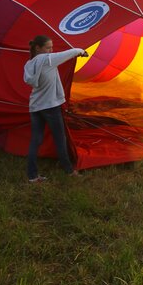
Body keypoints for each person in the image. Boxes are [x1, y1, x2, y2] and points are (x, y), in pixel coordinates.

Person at [24, 35, 88, 182]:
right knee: (60, 138)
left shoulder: (29, 64)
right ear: (38, 48)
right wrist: (81, 51)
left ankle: (32, 176)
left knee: (36, 140)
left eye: (52, 47)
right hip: (50, 107)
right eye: (48, 47)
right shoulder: (47, 60)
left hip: (35, 106)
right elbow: (69, 53)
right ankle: (69, 170)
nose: (51, 50)